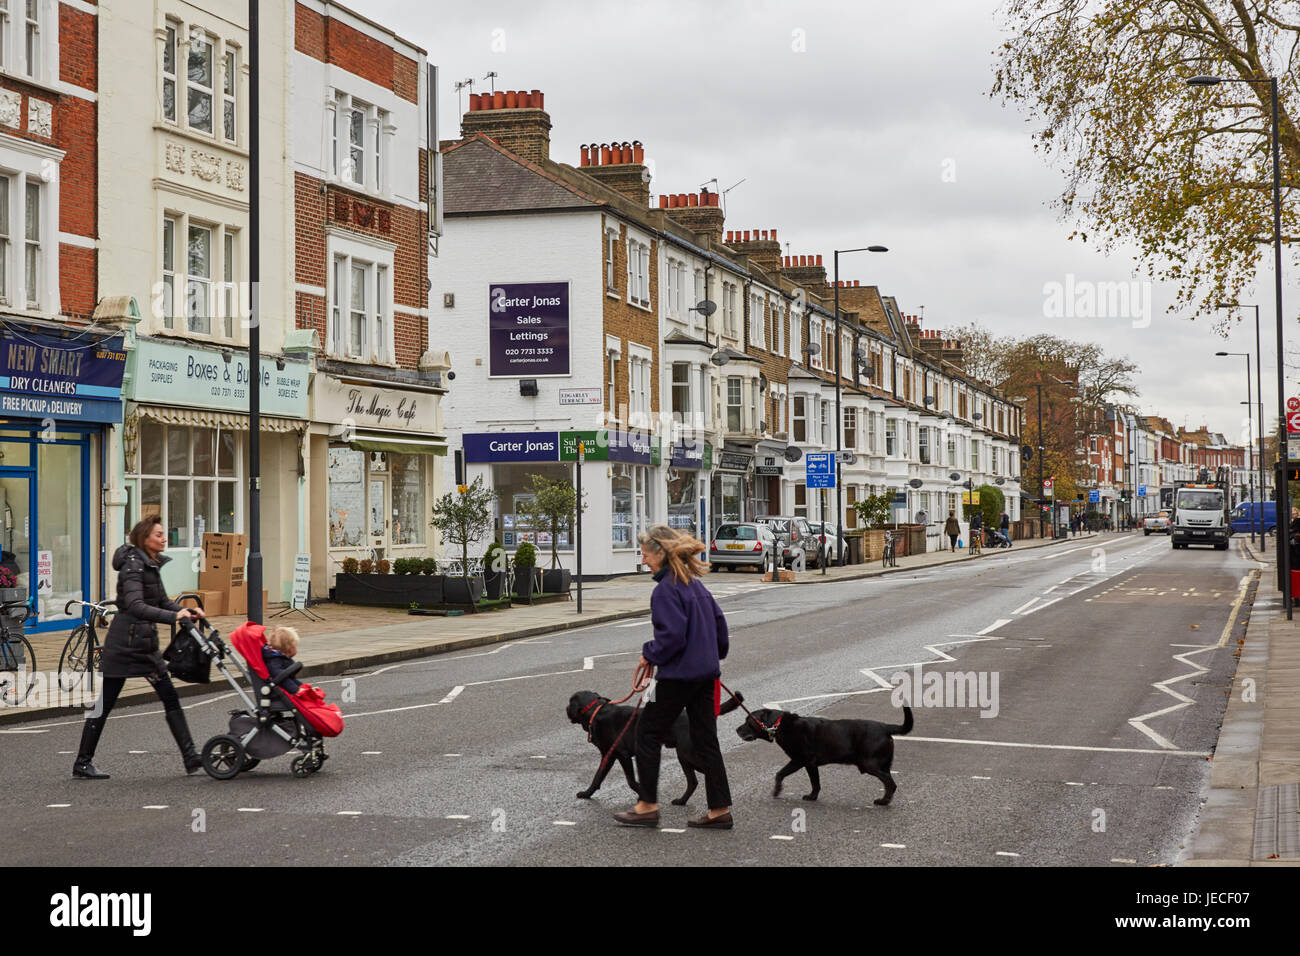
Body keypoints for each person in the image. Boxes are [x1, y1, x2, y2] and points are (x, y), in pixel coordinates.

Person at [614, 525, 733, 830]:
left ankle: (647, 806)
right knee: (707, 740)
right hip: (706, 675)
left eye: (644, 554)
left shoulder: (665, 590)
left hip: (678, 676)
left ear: (660, 553)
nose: (643, 561)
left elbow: (672, 638)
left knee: (648, 734)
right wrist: (708, 654)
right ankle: (719, 809)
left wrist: (649, 654)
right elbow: (721, 632)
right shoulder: (696, 586)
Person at [72, 516, 206, 779]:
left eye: (163, 533)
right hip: (125, 645)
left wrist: (184, 611)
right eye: (158, 534)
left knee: (170, 696)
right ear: (145, 538)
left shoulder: (149, 564)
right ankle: (82, 762)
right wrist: (173, 618)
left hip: (144, 646)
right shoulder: (133, 567)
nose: (164, 538)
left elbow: (162, 602)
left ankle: (191, 758)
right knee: (105, 703)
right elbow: (134, 606)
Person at [263, 626, 303, 695]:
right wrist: (296, 690)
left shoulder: (278, 657)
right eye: (295, 646)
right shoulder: (274, 662)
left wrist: (304, 687)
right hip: (281, 692)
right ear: (289, 649)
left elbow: (290, 679)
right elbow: (282, 678)